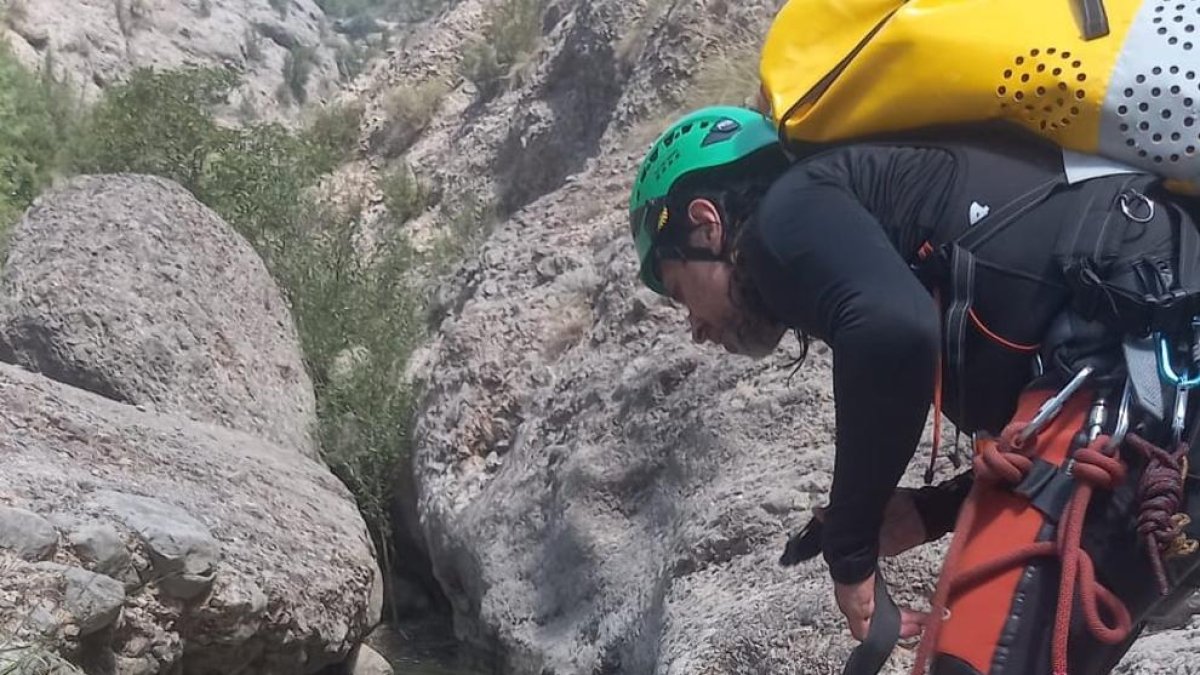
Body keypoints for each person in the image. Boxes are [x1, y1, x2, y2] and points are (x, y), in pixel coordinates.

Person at [627, 105, 1200, 671]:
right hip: (1156, 376)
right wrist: (930, 512)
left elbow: (893, 334)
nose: (695, 330)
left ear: (707, 223)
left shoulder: (785, 216)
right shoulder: (875, 210)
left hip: (1132, 367)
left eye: (679, 292)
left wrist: (849, 551)